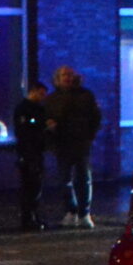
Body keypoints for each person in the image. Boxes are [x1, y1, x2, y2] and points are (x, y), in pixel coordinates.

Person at [42, 66, 101, 227]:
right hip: (62, 143)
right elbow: (45, 118)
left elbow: (95, 117)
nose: (67, 78)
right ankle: (71, 210)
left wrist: (89, 136)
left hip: (81, 142)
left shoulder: (85, 95)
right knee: (64, 179)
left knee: (83, 178)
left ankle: (84, 212)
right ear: (57, 79)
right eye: (63, 75)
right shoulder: (51, 99)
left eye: (69, 75)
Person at [11, 82, 51, 229]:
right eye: (41, 94)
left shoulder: (39, 108)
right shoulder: (24, 108)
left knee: (35, 186)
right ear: (33, 91)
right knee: (30, 186)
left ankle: (33, 215)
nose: (43, 97)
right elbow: (24, 131)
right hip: (28, 152)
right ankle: (28, 217)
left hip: (36, 151)